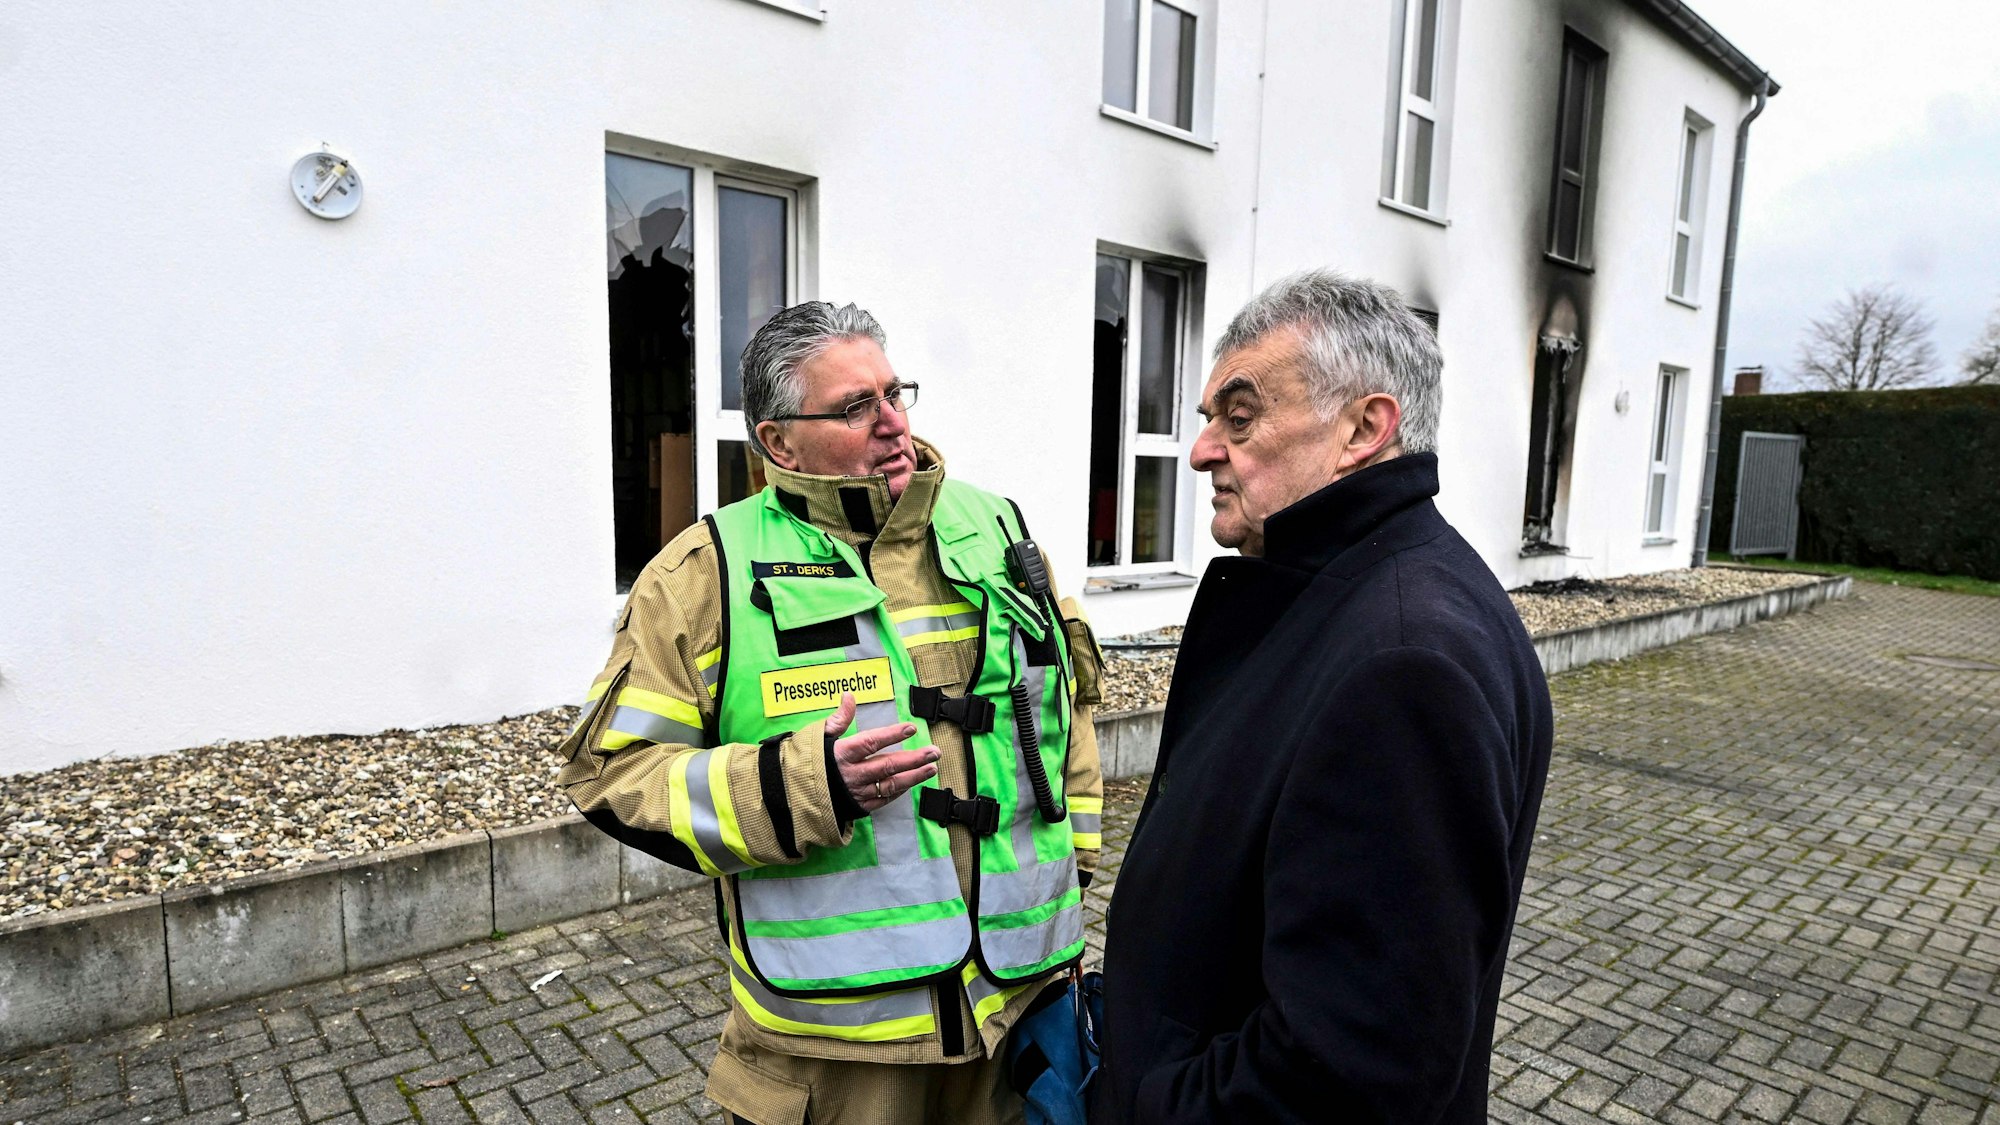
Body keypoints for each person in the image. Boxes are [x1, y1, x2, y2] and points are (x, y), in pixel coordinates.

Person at [554, 301, 1105, 1125]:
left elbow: (1069, 705)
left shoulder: (998, 528)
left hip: (1016, 1016)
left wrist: (1072, 875)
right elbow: (611, 771)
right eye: (855, 407)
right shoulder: (706, 571)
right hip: (838, 1046)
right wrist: (798, 784)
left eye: (895, 393)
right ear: (778, 441)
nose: (894, 426)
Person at [1091, 270, 1554, 1123]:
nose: (1200, 451)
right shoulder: (1334, 592)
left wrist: (1149, 1099)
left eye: (1240, 416)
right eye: (1207, 422)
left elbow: (1348, 1071)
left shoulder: (1405, 660)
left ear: (1364, 429)